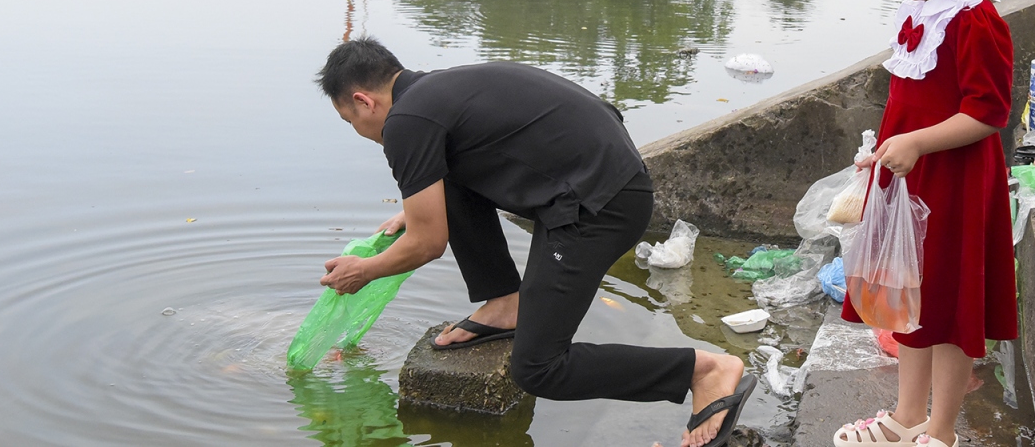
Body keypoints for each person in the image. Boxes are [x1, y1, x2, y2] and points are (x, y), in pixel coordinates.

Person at [314, 38, 755, 447]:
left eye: (349, 120)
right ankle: (505, 303)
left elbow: (427, 244)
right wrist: (415, 207)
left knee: (539, 369)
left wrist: (365, 271)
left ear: (362, 100)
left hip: (599, 205)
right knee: (446, 181)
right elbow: (450, 184)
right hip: (599, 180)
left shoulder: (406, 122)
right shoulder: (435, 93)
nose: (357, 129)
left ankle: (704, 370)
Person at [831, 0, 1017, 447]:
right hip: (910, 185)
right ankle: (905, 416)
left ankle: (941, 431)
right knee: (907, 302)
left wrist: (915, 143)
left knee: (953, 310)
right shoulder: (921, 13)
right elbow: (907, 98)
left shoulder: (977, 20)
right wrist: (884, 154)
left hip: (955, 185)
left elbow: (988, 112)